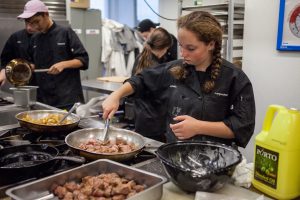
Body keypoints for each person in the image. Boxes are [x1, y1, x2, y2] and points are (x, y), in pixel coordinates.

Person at [102, 11, 255, 148]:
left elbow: (242, 126)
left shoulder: (234, 78)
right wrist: (116, 95)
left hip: (216, 158)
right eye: (181, 46)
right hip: (175, 154)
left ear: (211, 44)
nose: (183, 53)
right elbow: (141, 80)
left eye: (191, 48)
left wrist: (198, 127)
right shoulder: (175, 69)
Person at [17, 0, 89, 110]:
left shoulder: (65, 32)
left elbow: (83, 60)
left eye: (37, 21)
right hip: (43, 100)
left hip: (67, 99)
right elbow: (33, 63)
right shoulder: (35, 39)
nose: (34, 26)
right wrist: (27, 68)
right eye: (30, 23)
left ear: (46, 14)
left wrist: (63, 64)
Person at [130, 27, 173, 142]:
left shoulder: (141, 57)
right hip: (154, 120)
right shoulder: (157, 67)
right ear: (164, 48)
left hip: (141, 116)